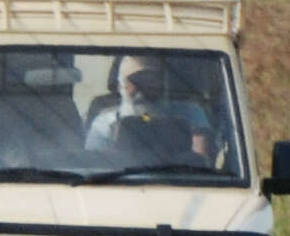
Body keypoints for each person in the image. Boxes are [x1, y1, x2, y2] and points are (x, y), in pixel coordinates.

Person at [86, 56, 222, 171]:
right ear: (121, 84)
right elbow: (96, 165)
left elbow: (202, 161)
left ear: (160, 81)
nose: (141, 86)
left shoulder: (190, 113)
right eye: (134, 80)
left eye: (148, 79)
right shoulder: (104, 122)